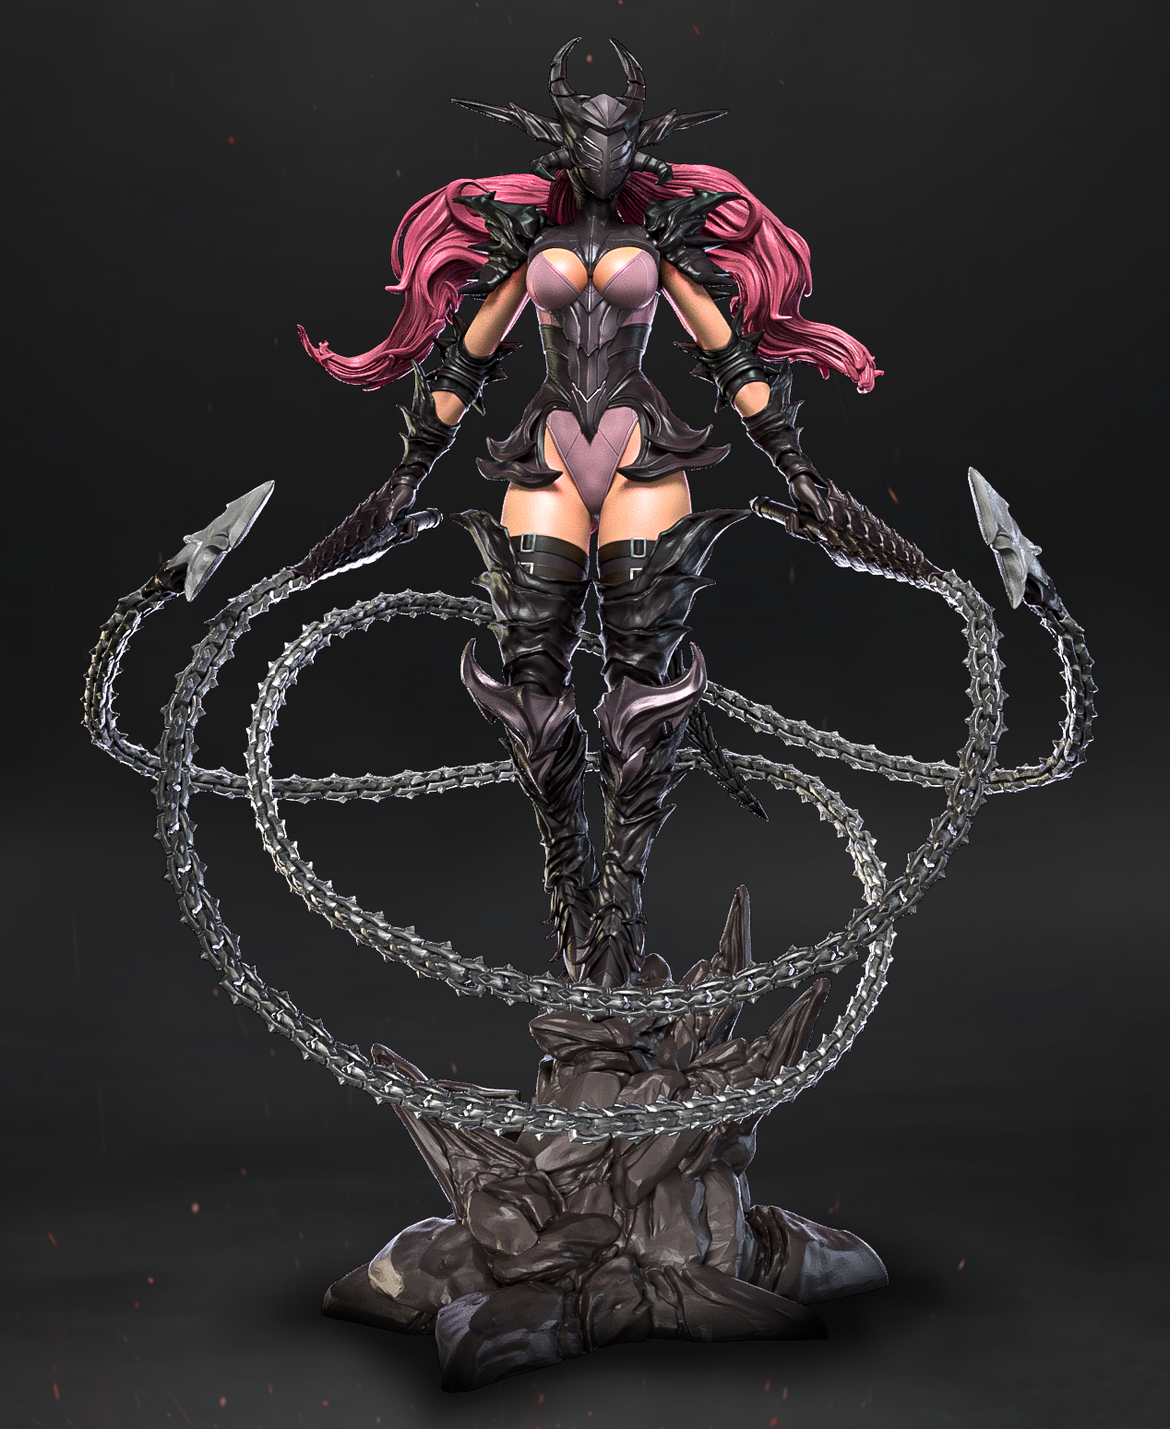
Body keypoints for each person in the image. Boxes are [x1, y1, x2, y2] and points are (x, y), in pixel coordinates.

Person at [299, 38, 879, 990]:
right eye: (587, 133)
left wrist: (800, 471)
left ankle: (620, 907)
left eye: (619, 134)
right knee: (531, 686)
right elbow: (466, 359)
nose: (604, 148)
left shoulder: (662, 248)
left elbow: (732, 358)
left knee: (643, 693)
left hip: (644, 455)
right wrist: (407, 473)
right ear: (561, 144)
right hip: (548, 454)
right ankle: (568, 883)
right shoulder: (530, 248)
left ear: (639, 146)